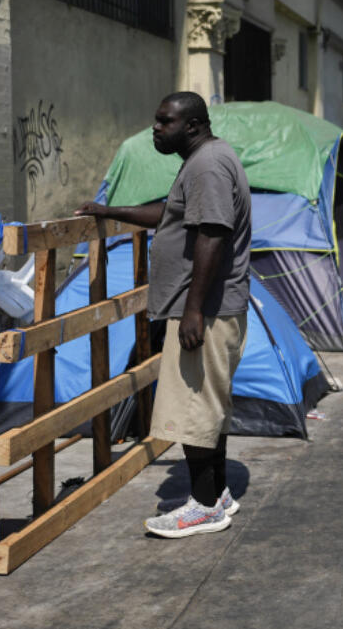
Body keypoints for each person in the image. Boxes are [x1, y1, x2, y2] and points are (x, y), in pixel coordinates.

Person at [76, 92, 251, 538]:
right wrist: (110, 210)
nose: (156, 129)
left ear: (191, 126)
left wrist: (192, 310)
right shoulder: (203, 159)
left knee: (192, 408)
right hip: (211, 307)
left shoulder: (208, 165)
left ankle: (204, 506)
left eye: (163, 122)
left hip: (206, 310)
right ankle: (219, 494)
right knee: (208, 405)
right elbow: (168, 215)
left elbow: (212, 234)